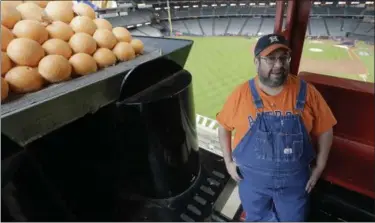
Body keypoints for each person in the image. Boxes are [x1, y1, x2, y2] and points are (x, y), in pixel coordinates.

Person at [216, 34, 337, 222]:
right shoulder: (241, 94)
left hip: (295, 183)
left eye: (283, 58)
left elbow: (326, 129)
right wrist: (228, 162)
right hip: (252, 182)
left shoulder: (307, 92)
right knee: (256, 218)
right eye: (271, 58)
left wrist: (320, 166)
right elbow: (223, 127)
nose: (279, 65)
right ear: (256, 61)